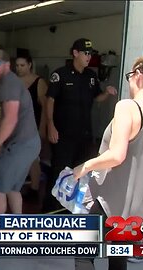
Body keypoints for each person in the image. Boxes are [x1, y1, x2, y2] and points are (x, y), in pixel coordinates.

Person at [73, 51, 143, 270]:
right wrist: (141, 171)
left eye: (129, 76)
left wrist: (83, 167)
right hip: (138, 208)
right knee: (118, 257)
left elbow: (116, 155)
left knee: (83, 254)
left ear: (138, 75)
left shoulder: (127, 107)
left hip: (110, 201)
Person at [43, 38, 117, 213]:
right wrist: (50, 125)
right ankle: (50, 209)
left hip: (83, 134)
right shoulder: (60, 74)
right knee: (59, 171)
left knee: (79, 172)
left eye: (90, 53)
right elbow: (49, 100)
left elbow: (96, 98)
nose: (88, 56)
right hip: (63, 134)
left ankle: (68, 209)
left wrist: (106, 93)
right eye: (85, 53)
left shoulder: (90, 76)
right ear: (75, 53)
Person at [0, 49, 41, 216]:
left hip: (21, 145)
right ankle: (18, 227)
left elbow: (10, 119)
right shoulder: (8, 82)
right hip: (27, 144)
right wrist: (1, 143)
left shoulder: (8, 84)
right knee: (13, 189)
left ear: (7, 65)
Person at [15, 55, 49, 201]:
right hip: (16, 126)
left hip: (32, 125)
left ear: (29, 65)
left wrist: (42, 127)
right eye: (17, 65)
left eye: (22, 65)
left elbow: (45, 106)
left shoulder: (39, 82)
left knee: (32, 159)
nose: (19, 68)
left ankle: (34, 189)